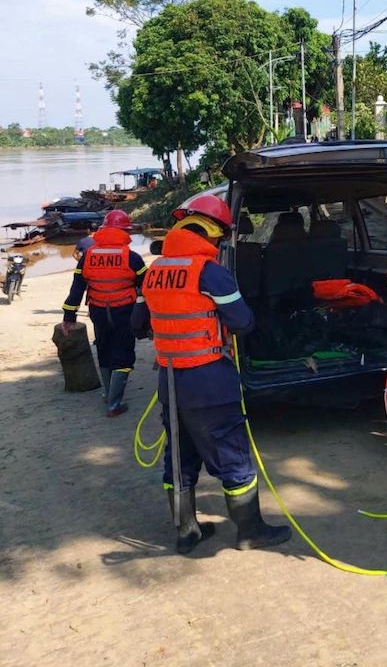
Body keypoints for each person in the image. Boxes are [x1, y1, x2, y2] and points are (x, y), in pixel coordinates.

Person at [131, 195, 291, 555]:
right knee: (232, 454)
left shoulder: (154, 271)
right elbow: (243, 323)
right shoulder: (211, 273)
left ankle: (186, 531)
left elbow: (137, 325)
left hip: (170, 379)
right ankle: (250, 531)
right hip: (208, 379)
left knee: (180, 454)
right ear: (213, 233)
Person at [62, 210, 146, 417]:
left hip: (98, 311)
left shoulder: (88, 256)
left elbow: (76, 289)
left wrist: (69, 317)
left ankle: (108, 394)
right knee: (124, 354)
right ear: (125, 231)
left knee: (104, 350)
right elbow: (146, 290)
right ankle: (114, 404)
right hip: (124, 311)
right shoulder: (132, 258)